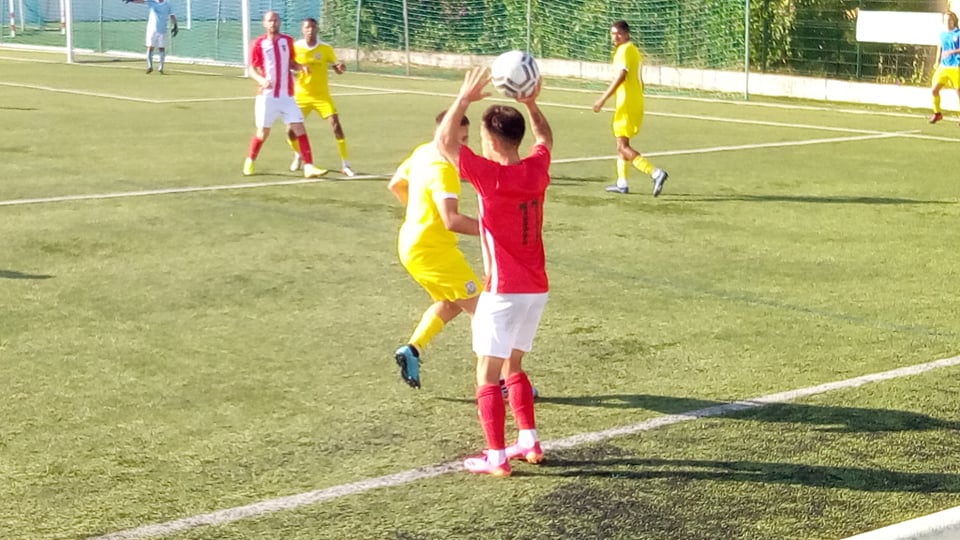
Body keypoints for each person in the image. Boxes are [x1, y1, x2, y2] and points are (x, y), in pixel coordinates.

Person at [436, 66, 552, 477]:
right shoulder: (536, 169)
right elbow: (545, 139)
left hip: (502, 291)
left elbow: (443, 142)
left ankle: (497, 457)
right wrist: (531, 104)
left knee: (487, 375)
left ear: (490, 141)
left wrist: (464, 98)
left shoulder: (490, 178)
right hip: (536, 289)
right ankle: (529, 441)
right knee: (513, 365)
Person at [388, 111, 481, 390]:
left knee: (452, 302)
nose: (463, 146)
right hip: (432, 251)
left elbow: (395, 185)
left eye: (466, 139)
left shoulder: (422, 152)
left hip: (411, 245)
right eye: (459, 139)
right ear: (444, 135)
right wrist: (493, 230)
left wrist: (421, 214)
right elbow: (452, 220)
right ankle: (496, 382)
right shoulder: (444, 170)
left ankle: (412, 349)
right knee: (483, 312)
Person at [243, 11, 326, 179]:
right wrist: (261, 79)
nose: (273, 23)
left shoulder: (287, 41)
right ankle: (250, 161)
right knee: (263, 132)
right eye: (269, 20)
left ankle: (309, 167)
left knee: (299, 128)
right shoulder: (259, 43)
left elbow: (291, 63)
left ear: (279, 22)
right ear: (264, 23)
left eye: (275, 20)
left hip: (287, 95)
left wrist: (300, 67)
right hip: (267, 96)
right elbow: (251, 69)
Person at [592, 20, 668, 197]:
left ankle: (655, 173)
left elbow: (622, 76)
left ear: (626, 34)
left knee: (622, 146)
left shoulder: (624, 50)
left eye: (618, 33)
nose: (615, 37)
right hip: (634, 101)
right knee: (621, 144)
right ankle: (622, 183)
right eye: (613, 33)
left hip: (626, 103)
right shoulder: (633, 50)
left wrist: (602, 99)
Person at [287, 18, 356, 177]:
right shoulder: (296, 47)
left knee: (336, 125)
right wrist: (298, 68)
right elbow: (289, 64)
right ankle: (298, 154)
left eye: (313, 27)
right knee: (290, 131)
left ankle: (345, 164)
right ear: (302, 29)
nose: (310, 30)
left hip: (322, 96)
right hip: (301, 96)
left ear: (317, 29)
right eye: (307, 27)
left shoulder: (325, 48)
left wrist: (340, 68)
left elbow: (336, 67)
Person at [124, 0, 178, 74]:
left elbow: (172, 15)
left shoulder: (167, 4)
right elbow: (141, 1)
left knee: (161, 48)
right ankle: (150, 66)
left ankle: (161, 67)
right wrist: (131, 0)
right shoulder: (152, 2)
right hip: (152, 29)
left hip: (162, 29)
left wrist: (175, 25)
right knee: (150, 47)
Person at [929, 11, 960, 124]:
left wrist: (952, 52)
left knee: (958, 92)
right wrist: (937, 61)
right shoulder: (942, 34)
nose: (948, 22)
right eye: (946, 20)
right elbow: (940, 48)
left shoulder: (958, 33)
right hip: (943, 66)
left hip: (956, 66)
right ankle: (937, 113)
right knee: (934, 90)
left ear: (954, 21)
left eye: (950, 20)